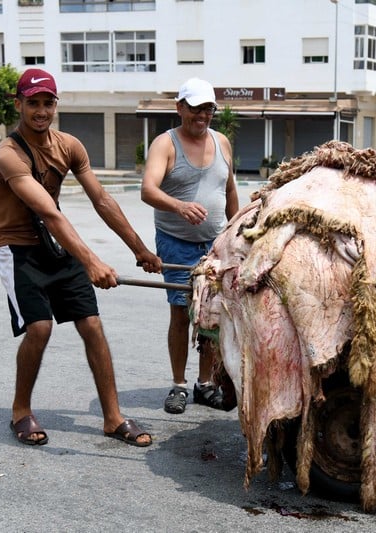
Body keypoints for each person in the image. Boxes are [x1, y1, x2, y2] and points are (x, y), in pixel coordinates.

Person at [0, 68, 162, 447]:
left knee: (92, 324)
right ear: (18, 104)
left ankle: (112, 417)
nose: (40, 110)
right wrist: (91, 262)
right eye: (32, 102)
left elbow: (101, 199)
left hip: (54, 243)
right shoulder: (8, 154)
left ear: (56, 105)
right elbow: (50, 212)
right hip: (16, 248)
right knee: (39, 328)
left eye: (47, 102)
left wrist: (140, 249)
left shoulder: (69, 145)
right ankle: (21, 410)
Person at [141, 77, 239, 414]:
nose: (202, 115)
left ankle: (205, 384)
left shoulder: (222, 142)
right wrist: (179, 206)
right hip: (176, 243)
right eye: (195, 107)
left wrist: (238, 230)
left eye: (208, 108)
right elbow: (148, 190)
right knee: (181, 313)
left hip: (214, 245)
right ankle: (179, 384)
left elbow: (229, 191)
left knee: (211, 316)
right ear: (180, 107)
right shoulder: (165, 144)